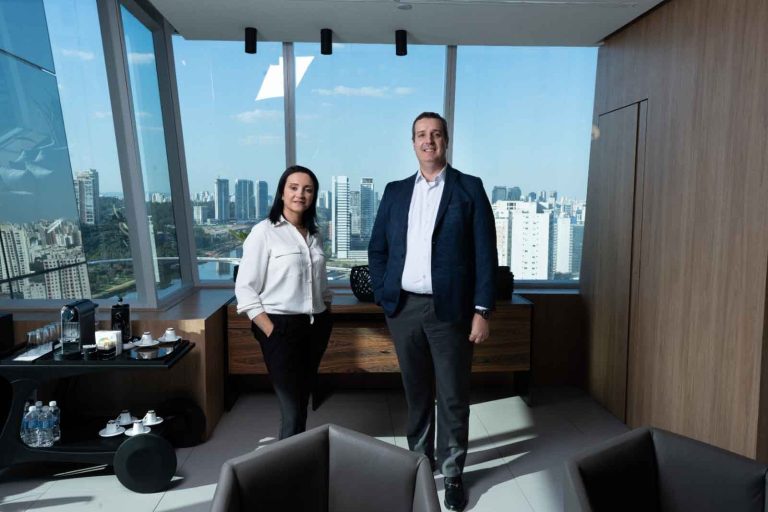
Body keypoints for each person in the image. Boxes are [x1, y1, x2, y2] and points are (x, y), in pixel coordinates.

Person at [368, 112, 497, 511]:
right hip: (404, 308)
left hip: (451, 311)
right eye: (421, 135)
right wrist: (384, 295)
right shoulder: (395, 192)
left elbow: (485, 254)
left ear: (446, 141)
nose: (429, 141)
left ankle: (453, 473)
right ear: (413, 143)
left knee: (453, 395)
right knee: (417, 394)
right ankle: (421, 464)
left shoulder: (469, 188)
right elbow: (377, 248)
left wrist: (482, 310)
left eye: (436, 134)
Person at [235, 165, 333, 440]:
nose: (300, 194)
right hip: (280, 327)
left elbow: (321, 284)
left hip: (315, 326)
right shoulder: (263, 232)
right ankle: (290, 462)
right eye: (294, 188)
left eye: (308, 189)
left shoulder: (314, 234)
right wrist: (270, 330)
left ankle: (296, 455)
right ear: (281, 193)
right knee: (291, 407)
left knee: (301, 402)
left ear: (313, 196)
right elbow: (245, 289)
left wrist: (326, 314)